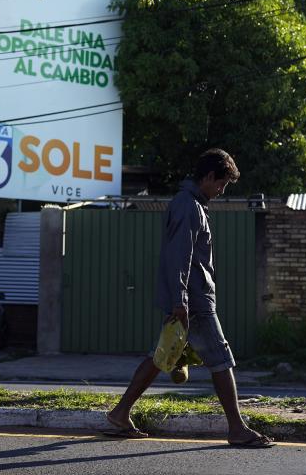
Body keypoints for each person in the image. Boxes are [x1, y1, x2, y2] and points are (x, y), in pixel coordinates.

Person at [106, 149, 276, 448]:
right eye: (222, 184)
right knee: (221, 359)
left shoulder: (192, 204)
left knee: (162, 354)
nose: (222, 191)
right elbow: (179, 257)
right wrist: (180, 301)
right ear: (209, 176)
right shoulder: (188, 206)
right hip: (194, 301)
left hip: (190, 297)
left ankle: (121, 412)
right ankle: (236, 428)